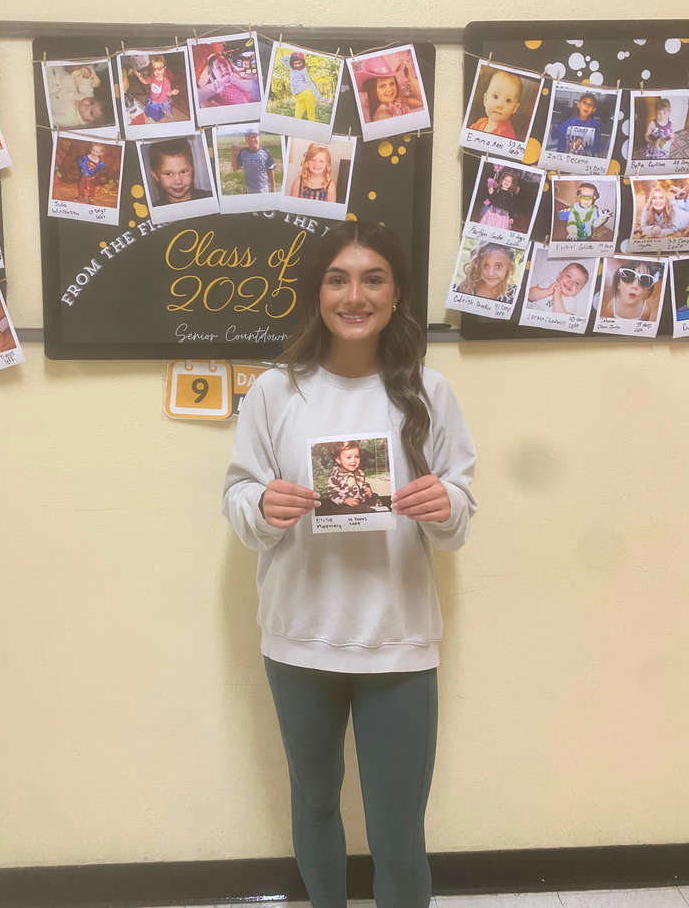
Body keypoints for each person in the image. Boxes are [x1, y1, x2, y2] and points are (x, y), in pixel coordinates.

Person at [222, 220, 476, 908]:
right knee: (314, 805)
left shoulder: (430, 391)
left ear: (396, 295)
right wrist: (263, 505)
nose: (354, 296)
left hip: (398, 643)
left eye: (373, 279)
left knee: (398, 833)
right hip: (299, 638)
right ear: (317, 291)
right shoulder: (275, 391)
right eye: (337, 279)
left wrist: (444, 502)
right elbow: (237, 498)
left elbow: (459, 520)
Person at [355, 53, 424, 123]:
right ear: (373, 90)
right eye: (382, 86)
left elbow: (421, 101)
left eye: (392, 84)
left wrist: (411, 78)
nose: (389, 89)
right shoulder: (382, 116)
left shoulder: (398, 102)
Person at [322, 439, 383, 513]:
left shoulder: (359, 472)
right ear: (338, 459)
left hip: (361, 499)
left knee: (375, 496)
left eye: (357, 457)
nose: (354, 460)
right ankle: (370, 511)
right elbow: (333, 494)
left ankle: (377, 506)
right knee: (352, 509)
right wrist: (345, 500)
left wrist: (366, 488)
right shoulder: (336, 477)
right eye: (349, 457)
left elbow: (363, 483)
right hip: (346, 505)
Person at [149, 139, 212, 205]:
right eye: (168, 174)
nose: (178, 181)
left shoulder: (210, 198)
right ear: (155, 175)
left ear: (192, 169)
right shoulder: (152, 209)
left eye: (183, 172)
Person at [46, 65, 106, 130]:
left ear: (91, 122)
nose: (87, 106)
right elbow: (86, 88)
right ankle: (58, 67)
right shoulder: (88, 97)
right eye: (91, 102)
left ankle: (47, 72)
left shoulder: (71, 120)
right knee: (68, 79)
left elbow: (54, 119)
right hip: (64, 88)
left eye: (91, 112)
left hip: (50, 99)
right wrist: (86, 77)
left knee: (48, 75)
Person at [469, 68, 523, 139]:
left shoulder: (507, 134)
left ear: (514, 108)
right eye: (495, 97)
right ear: (485, 99)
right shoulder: (480, 122)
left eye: (508, 100)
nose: (499, 105)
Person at [195, 52, 259, 107]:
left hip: (247, 102)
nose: (224, 69)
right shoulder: (216, 88)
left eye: (225, 65)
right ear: (213, 73)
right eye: (218, 67)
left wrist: (239, 82)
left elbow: (249, 87)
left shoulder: (235, 78)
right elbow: (198, 97)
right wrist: (213, 88)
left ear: (230, 66)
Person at [552, 91, 604, 157]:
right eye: (584, 102)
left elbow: (599, 148)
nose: (587, 106)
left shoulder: (595, 124)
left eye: (590, 105)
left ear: (593, 109)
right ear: (578, 104)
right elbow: (555, 131)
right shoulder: (569, 122)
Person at [132, 55, 181, 123]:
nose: (157, 71)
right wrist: (140, 78)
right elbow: (145, 82)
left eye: (159, 68)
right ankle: (152, 115)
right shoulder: (151, 78)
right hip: (153, 99)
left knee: (161, 111)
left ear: (164, 68)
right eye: (154, 69)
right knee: (152, 110)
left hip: (162, 102)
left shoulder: (166, 82)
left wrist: (172, 92)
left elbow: (168, 93)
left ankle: (163, 116)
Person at [231, 128, 276, 194]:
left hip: (263, 188)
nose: (252, 139)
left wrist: (273, 188)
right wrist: (233, 155)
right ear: (246, 139)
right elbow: (234, 169)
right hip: (249, 187)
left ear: (259, 138)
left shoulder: (265, 152)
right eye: (249, 137)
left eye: (254, 136)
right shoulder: (242, 152)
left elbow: (270, 170)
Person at [282, 51, 323, 121]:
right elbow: (283, 58)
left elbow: (310, 82)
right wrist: (293, 57)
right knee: (297, 117)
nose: (298, 65)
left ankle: (312, 127)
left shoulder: (304, 71)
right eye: (295, 63)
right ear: (292, 63)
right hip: (298, 97)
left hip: (307, 94)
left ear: (303, 62)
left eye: (299, 63)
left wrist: (319, 97)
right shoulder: (291, 68)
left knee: (311, 116)